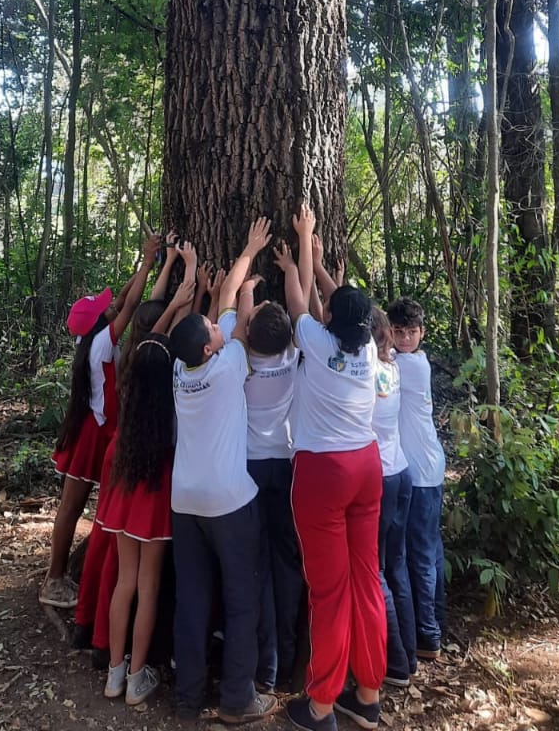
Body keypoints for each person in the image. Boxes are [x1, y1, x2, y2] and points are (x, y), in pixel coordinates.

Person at [169, 218, 278, 725]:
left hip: (184, 501)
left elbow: (216, 313)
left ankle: (187, 693)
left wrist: (215, 299)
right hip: (230, 502)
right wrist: (250, 248)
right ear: (213, 346)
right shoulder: (231, 362)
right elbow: (231, 296)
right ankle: (238, 697)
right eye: (215, 330)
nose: (220, 325)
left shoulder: (181, 369)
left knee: (191, 598)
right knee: (241, 598)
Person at [284, 205, 386, 731]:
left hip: (324, 474)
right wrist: (321, 261)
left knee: (330, 590)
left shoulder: (317, 345)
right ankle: (368, 694)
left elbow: (301, 301)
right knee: (367, 580)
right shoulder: (367, 347)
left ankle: (321, 705)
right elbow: (334, 303)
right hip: (367, 468)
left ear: (333, 321)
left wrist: (304, 240)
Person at [72, 243, 198, 653]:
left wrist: (171, 275)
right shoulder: (159, 368)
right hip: (140, 464)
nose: (116, 310)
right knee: (126, 564)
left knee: (112, 552)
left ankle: (96, 634)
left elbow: (151, 311)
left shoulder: (132, 356)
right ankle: (107, 640)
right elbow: (154, 315)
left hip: (123, 457)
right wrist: (191, 293)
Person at [40, 237, 160, 609]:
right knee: (71, 506)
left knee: (74, 506)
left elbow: (124, 301)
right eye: (104, 310)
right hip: (97, 431)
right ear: (98, 323)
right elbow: (133, 305)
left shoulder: (91, 340)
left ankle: (64, 576)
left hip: (94, 427)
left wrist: (145, 264)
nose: (112, 307)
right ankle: (55, 579)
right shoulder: (103, 344)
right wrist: (147, 262)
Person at [220, 266, 302, 691]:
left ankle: (263, 664)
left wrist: (247, 285)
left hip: (249, 469)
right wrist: (294, 266)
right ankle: (287, 658)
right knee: (287, 560)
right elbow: (301, 304)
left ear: (248, 332)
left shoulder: (242, 361)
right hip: (284, 466)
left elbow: (232, 310)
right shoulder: (291, 357)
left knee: (256, 567)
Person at [97, 331, 176, 705]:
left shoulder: (128, 410)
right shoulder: (171, 415)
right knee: (149, 586)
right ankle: (137, 675)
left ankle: (115, 673)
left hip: (126, 492)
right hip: (156, 497)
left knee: (125, 581)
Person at [386, 296, 446, 660]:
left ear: (422, 333)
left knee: (422, 555)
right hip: (429, 466)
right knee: (432, 551)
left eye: (411, 332)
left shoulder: (408, 364)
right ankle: (436, 620)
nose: (405, 338)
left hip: (421, 473)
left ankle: (428, 634)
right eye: (398, 331)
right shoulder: (410, 360)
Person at [369, 307, 416, 687]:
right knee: (396, 567)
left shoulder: (366, 369)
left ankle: (397, 663)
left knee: (378, 571)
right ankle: (411, 653)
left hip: (382, 480)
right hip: (401, 473)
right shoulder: (395, 363)